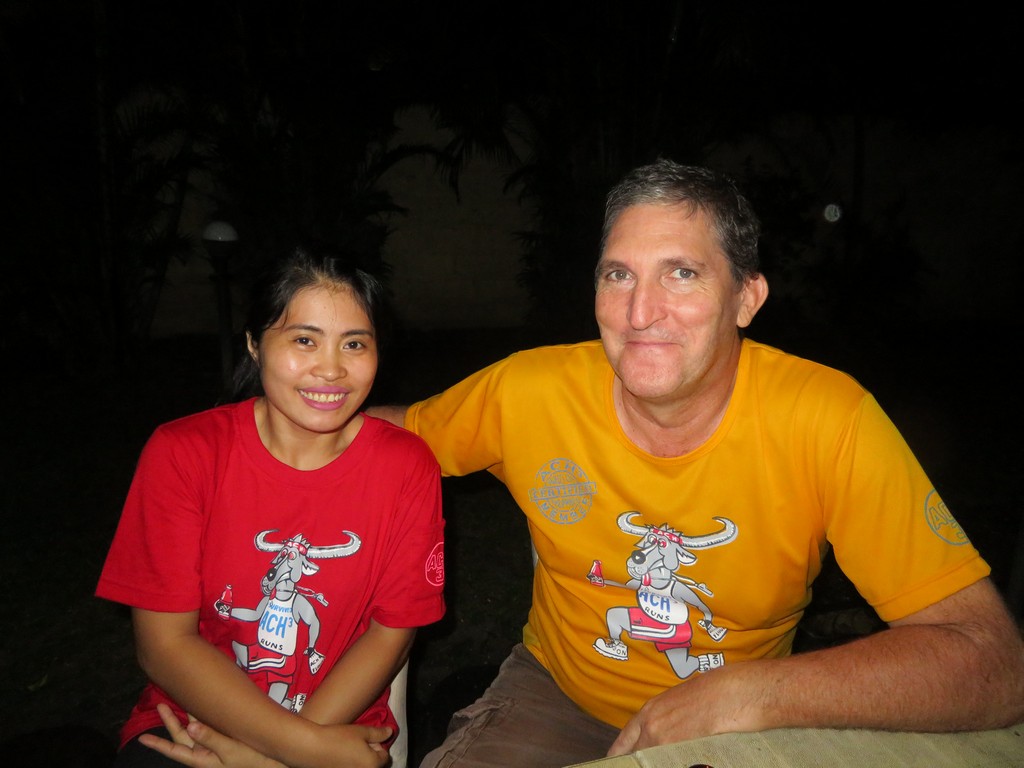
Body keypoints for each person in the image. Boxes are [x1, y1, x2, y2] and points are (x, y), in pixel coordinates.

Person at [154, 159, 1024, 768]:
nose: (641, 311)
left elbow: (993, 663)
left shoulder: (826, 419)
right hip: (555, 699)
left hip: (738, 723)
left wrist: (743, 698)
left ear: (747, 297)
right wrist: (230, 439)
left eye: (681, 273)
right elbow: (386, 432)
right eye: (618, 274)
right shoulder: (532, 390)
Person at [95, 245, 446, 768]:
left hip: (341, 727)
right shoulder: (184, 453)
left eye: (354, 343)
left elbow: (390, 634)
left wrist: (279, 758)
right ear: (254, 345)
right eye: (304, 340)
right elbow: (164, 644)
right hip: (197, 726)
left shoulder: (406, 466)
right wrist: (297, 749)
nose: (332, 369)